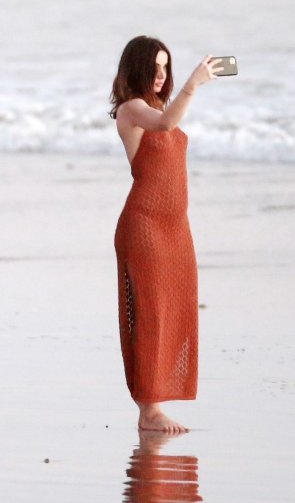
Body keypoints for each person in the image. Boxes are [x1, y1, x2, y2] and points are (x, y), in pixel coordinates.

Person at [110, 36, 221, 433]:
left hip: (176, 226)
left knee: (177, 309)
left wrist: (185, 90)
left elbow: (169, 119)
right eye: (154, 68)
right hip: (145, 225)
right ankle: (149, 409)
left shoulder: (158, 106)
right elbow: (165, 124)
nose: (161, 75)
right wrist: (193, 85)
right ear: (136, 69)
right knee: (151, 314)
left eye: (166, 67)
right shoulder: (132, 110)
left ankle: (155, 403)